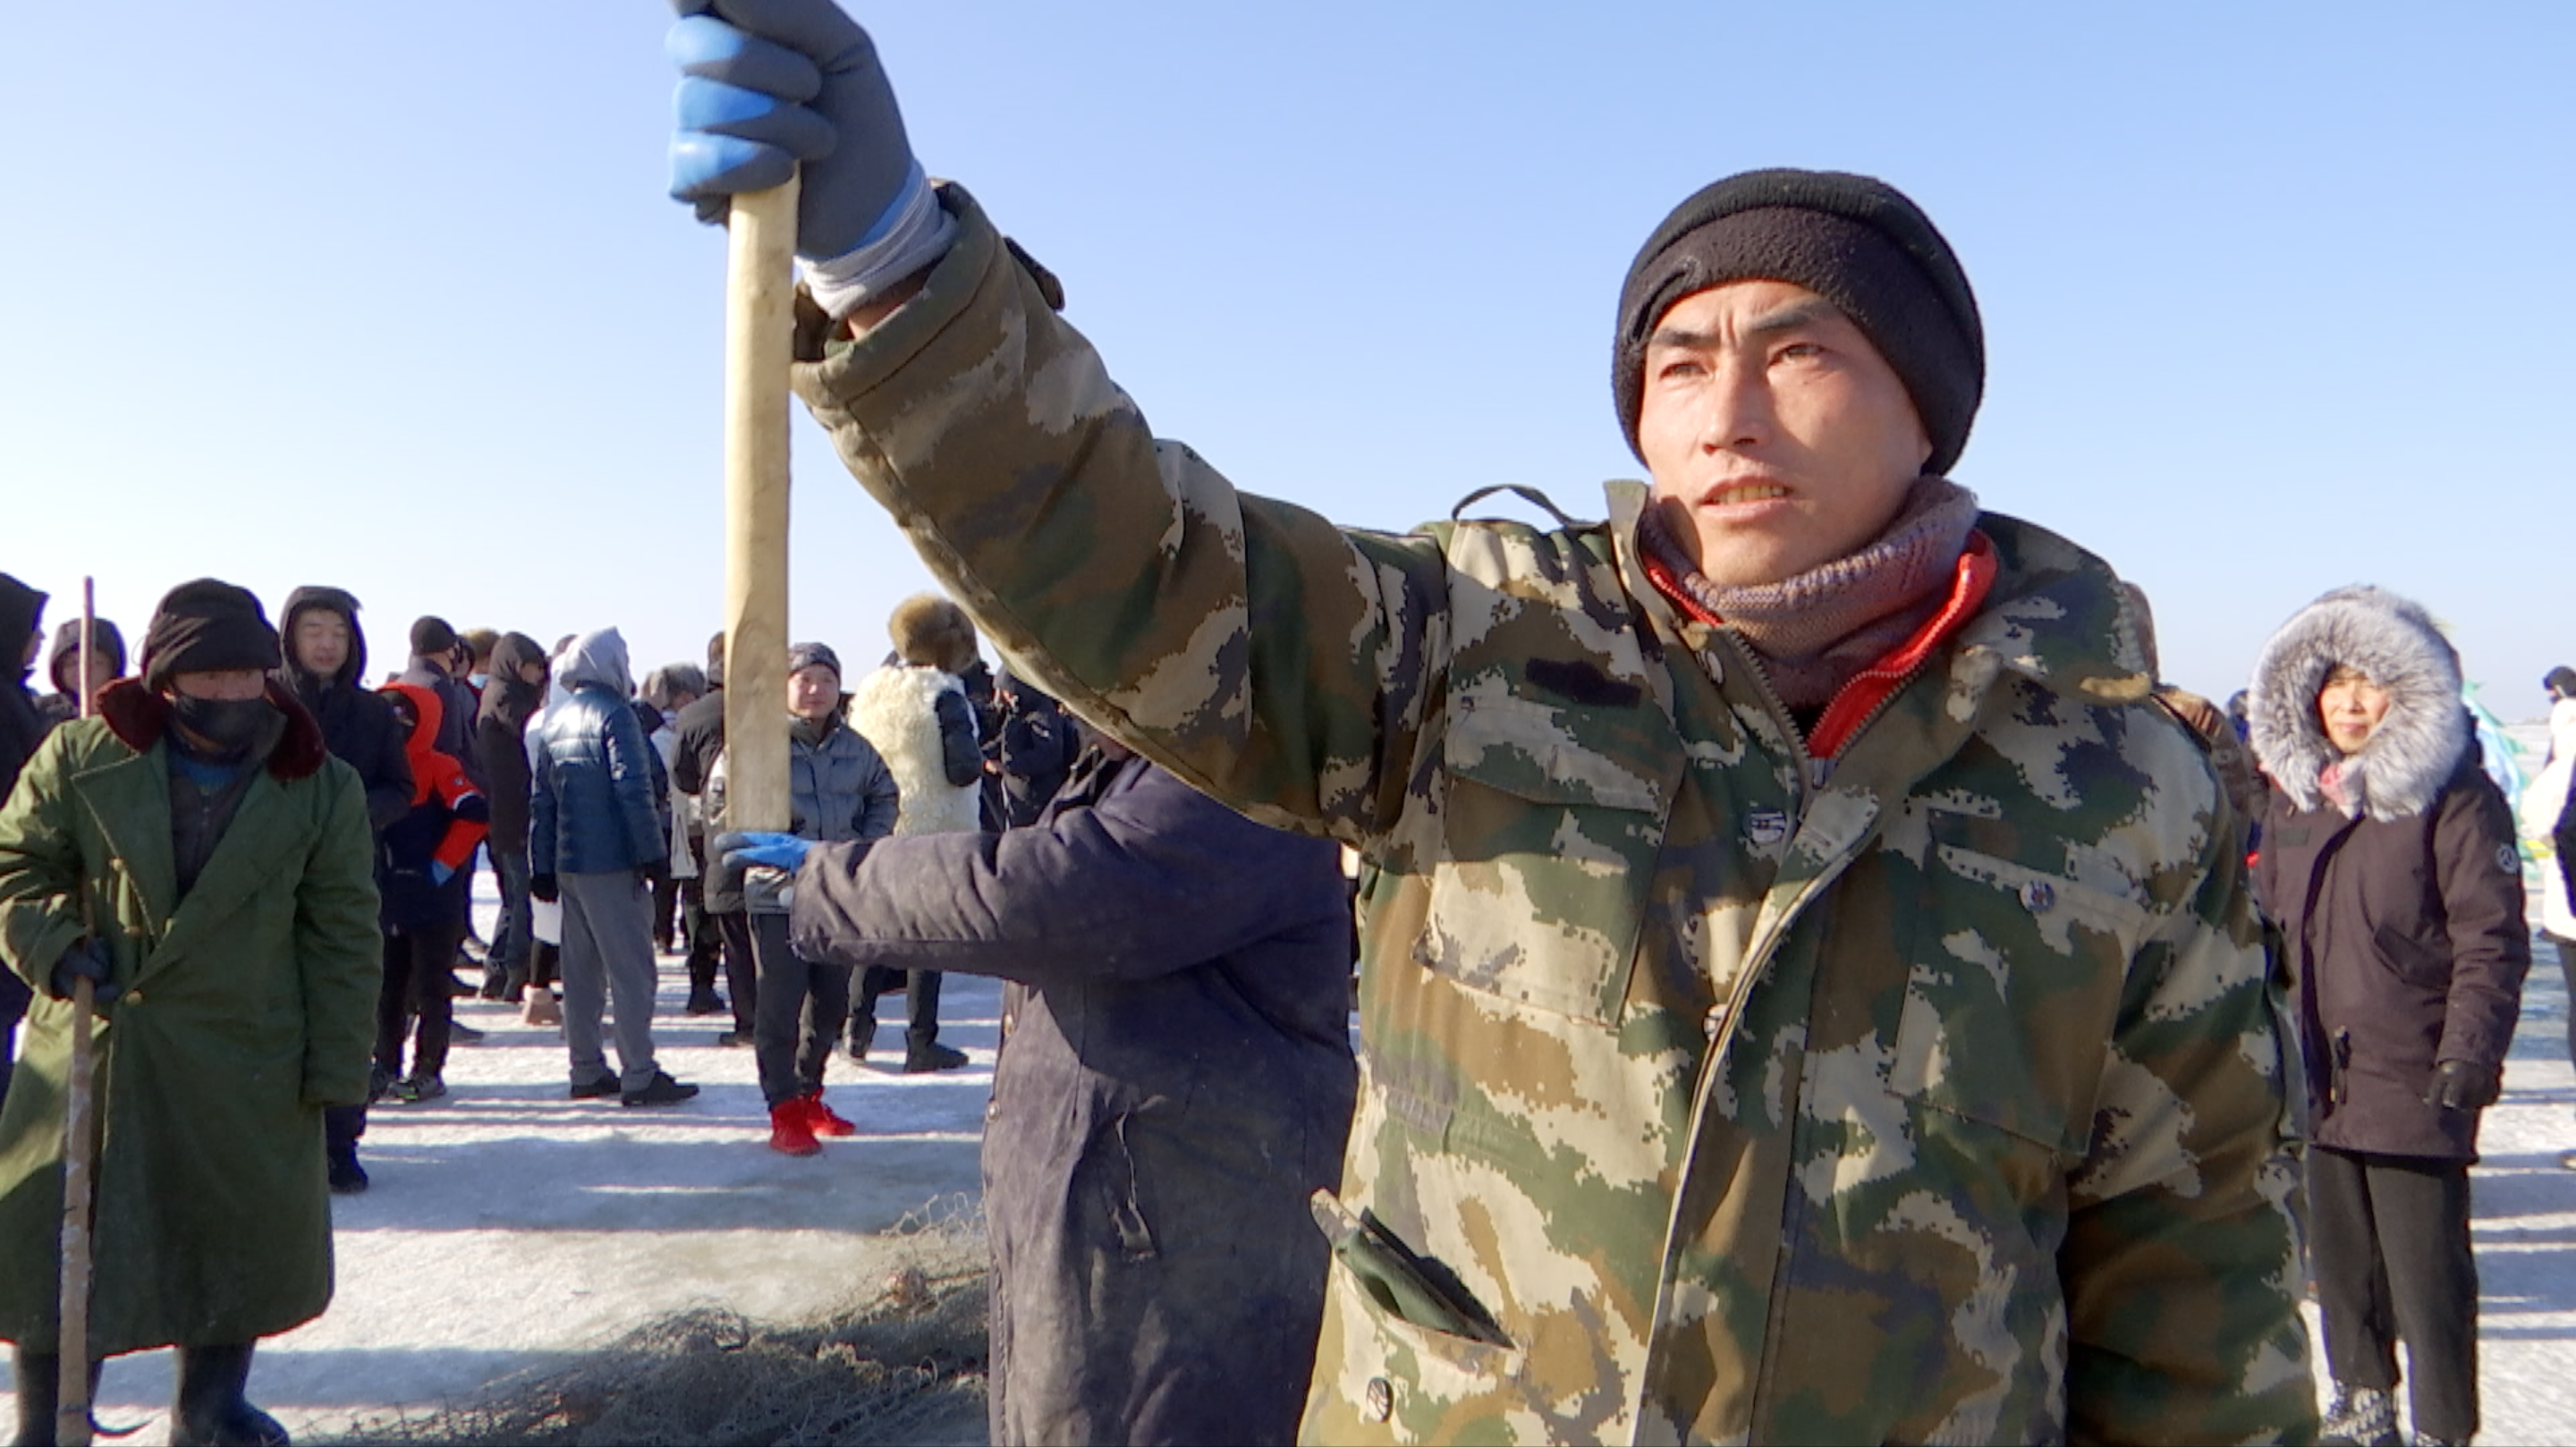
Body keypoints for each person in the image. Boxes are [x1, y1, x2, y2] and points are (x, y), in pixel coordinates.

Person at [666, 15, 2311, 1438]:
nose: (1725, 413)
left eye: (1799, 350)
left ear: (1926, 403)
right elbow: (1150, 571)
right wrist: (891, 267)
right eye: (1677, 363)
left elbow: (2200, 1301)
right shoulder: (1486, 652)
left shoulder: (2114, 794)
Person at [741, 736, 1355, 1444]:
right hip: (1120, 1214)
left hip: (1191, 1235)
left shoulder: (1239, 766)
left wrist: (837, 881)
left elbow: (1056, 888)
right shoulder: (1130, 762)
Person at [0, 579, 378, 1446]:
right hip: (98, 1041)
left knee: (228, 1229)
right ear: (168, 683)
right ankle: (47, 1419)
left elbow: (344, 935)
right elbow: (14, 863)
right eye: (213, 682)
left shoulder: (318, 783)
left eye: (250, 677)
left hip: (244, 1046)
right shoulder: (80, 755)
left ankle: (210, 1406)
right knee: (64, 1235)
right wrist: (50, 942)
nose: (237, 697)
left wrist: (334, 1072)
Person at [2249, 587, 2527, 1447]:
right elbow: (2261, 927)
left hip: (2414, 1069)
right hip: (2315, 1072)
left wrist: (2468, 1055)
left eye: (2372, 683)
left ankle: (2445, 1428)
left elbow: (2491, 937)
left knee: (2426, 1276)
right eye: (2336, 683)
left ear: (2409, 693)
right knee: (2341, 1266)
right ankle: (2363, 1400)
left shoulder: (2455, 797)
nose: (2351, 701)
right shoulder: (2299, 798)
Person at [711, 643, 896, 1155]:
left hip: (836, 892)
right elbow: (719, 804)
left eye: (825, 680)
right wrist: (755, 848)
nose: (815, 690)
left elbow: (885, 794)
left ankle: (811, 1091)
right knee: (780, 1003)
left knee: (832, 998)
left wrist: (862, 848)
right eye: (803, 679)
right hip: (775, 894)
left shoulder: (857, 749)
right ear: (785, 687)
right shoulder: (755, 745)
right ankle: (783, 1109)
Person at [276, 586, 414, 1191]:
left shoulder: (373, 712)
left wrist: (350, 812)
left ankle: (340, 1142)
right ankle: (280, 1140)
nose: (326, 643)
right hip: (274, 884)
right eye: (314, 630)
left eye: (337, 631)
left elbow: (399, 789)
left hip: (354, 882)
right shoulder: (267, 707)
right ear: (291, 638)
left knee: (343, 1011)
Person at [529, 628, 696, 1107]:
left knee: (580, 974)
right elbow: (633, 790)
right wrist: (654, 857)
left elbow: (543, 802)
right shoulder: (617, 715)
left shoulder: (556, 720)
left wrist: (543, 866)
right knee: (631, 972)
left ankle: (586, 1068)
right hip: (614, 862)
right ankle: (640, 1073)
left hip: (569, 864)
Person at [844, 595, 982, 1073]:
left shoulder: (872, 692)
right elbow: (963, 768)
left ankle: (856, 1029)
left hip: (880, 826)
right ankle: (921, 1041)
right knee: (928, 938)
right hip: (934, 829)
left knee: (877, 932)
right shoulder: (943, 693)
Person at [372, 682, 490, 1105]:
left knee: (431, 988)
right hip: (387, 897)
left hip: (433, 899)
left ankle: (427, 1069)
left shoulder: (442, 766)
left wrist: (442, 865)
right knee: (385, 988)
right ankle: (384, 1064)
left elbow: (475, 814)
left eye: (406, 721)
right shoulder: (375, 768)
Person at [669, 632, 752, 1038]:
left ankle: (702, 988)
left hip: (707, 825)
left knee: (703, 906)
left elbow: (682, 777)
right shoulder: (766, 704)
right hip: (764, 820)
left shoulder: (693, 714)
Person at [474, 632, 549, 1002]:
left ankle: (499, 970)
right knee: (521, 899)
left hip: (503, 816)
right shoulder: (508, 700)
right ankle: (512, 973)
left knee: (513, 898)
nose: (536, 675)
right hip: (512, 816)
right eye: (531, 667)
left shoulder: (497, 695)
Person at [991, 670, 1080, 829]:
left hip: (1037, 800)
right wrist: (983, 755)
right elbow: (1005, 741)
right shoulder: (1016, 712)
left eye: (1003, 690)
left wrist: (1010, 767)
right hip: (1019, 800)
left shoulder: (1042, 713)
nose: (1000, 696)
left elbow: (1049, 754)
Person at [34, 616, 124, 731]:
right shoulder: (40, 713)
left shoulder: (128, 713)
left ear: (112, 667)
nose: (82, 670)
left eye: (95, 663)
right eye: (71, 664)